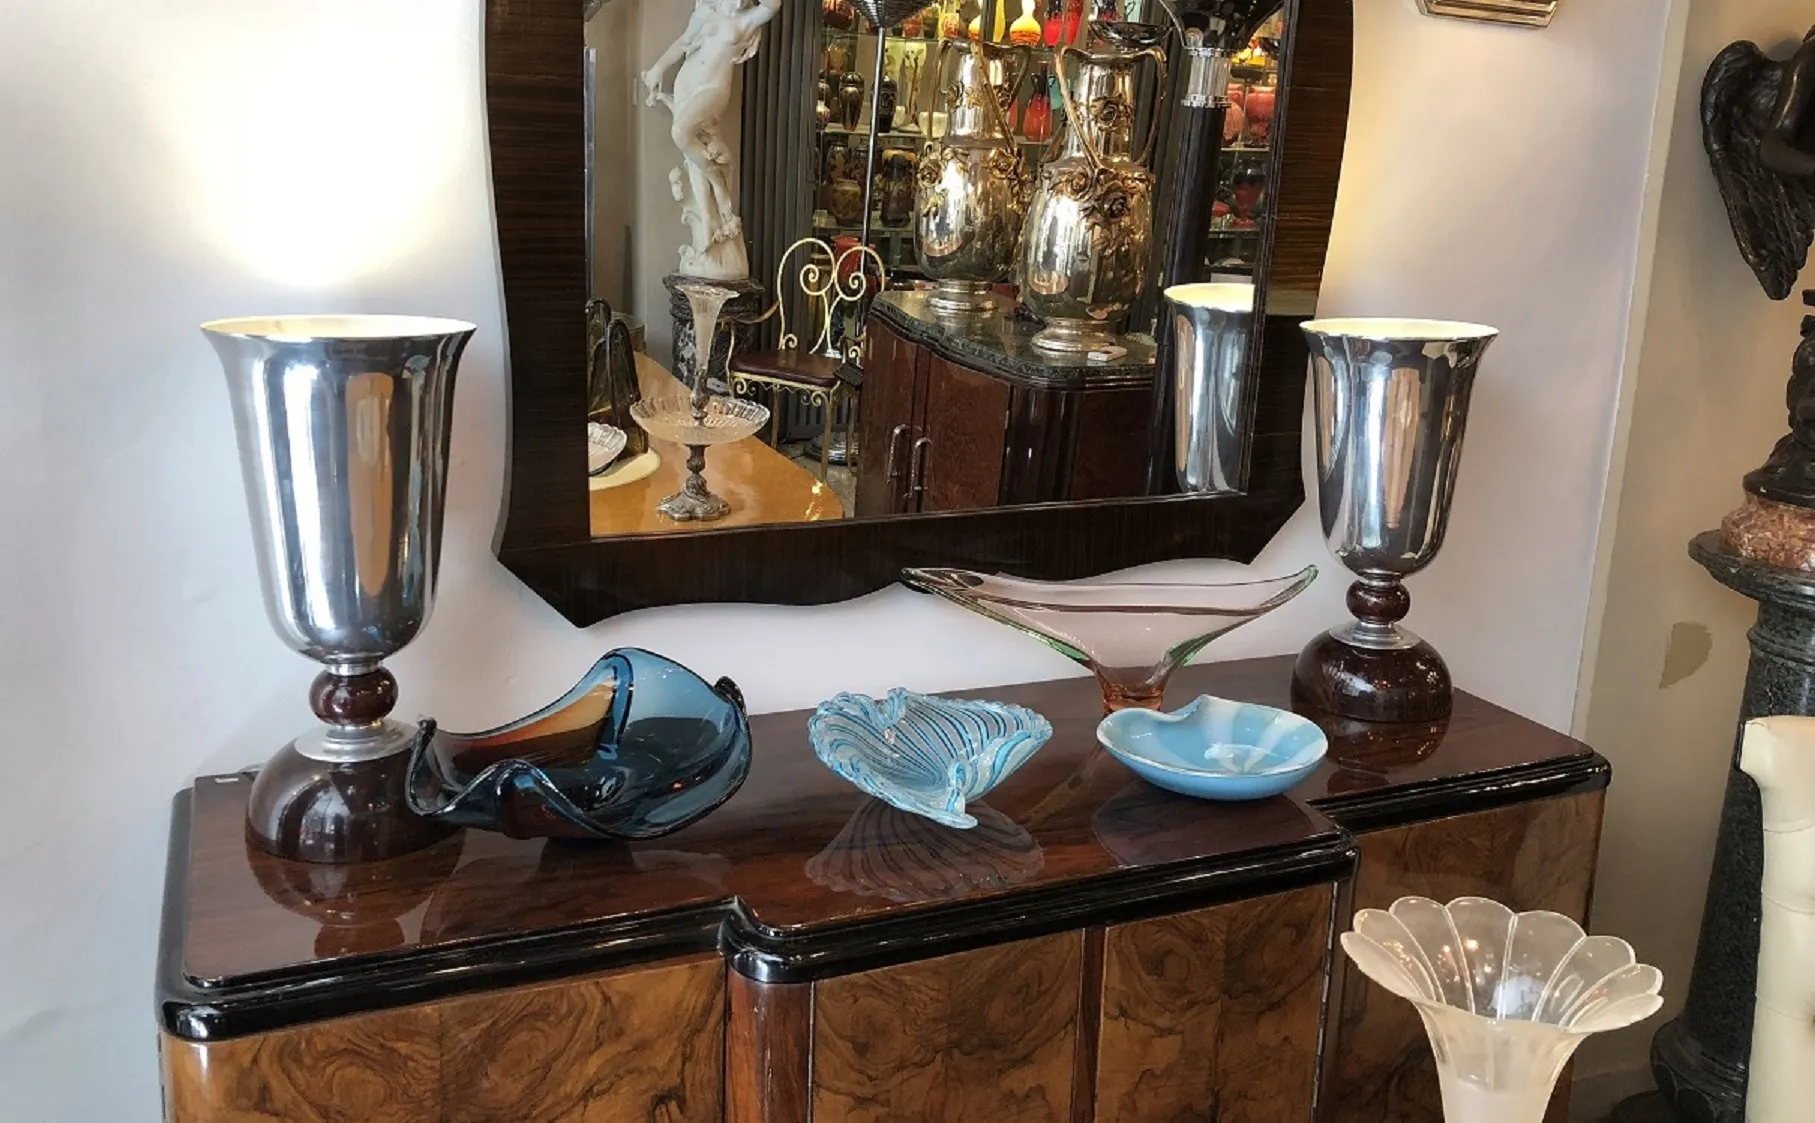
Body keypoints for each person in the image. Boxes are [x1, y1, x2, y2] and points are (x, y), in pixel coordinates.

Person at [643, 0, 783, 279]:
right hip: (687, 84)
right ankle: (706, 229)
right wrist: (658, 68)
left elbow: (773, 4)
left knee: (681, 133)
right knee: (694, 160)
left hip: (714, 90)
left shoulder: (747, 20)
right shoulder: (706, 11)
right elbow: (683, 44)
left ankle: (720, 189)